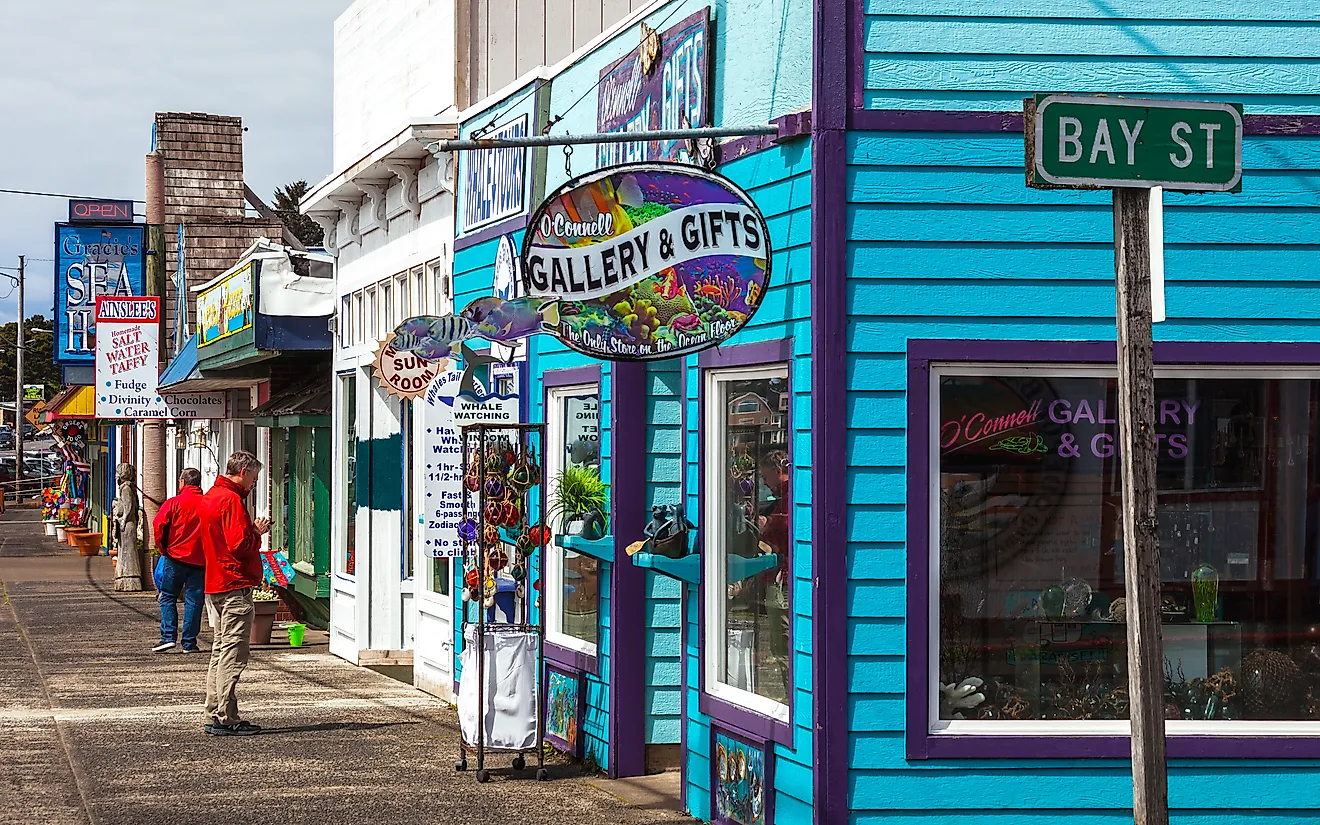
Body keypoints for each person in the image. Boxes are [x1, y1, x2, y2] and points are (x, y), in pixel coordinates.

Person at [201, 451, 271, 736]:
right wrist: (256, 532)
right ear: (242, 471)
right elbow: (239, 545)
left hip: (216, 581)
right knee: (233, 651)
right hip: (233, 583)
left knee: (220, 650)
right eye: (253, 478)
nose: (253, 484)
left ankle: (214, 711)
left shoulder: (212, 495)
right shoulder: (230, 500)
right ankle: (225, 716)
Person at [151, 468, 208, 653]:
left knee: (167, 596)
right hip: (200, 559)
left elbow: (158, 525)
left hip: (175, 556)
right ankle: (189, 643)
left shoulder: (174, 503)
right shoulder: (207, 503)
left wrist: (163, 549)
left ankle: (168, 636)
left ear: (182, 482)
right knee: (194, 600)